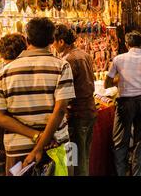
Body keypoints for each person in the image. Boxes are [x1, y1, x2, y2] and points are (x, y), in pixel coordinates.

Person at [0, 18, 76, 175]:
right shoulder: (62, 66)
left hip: (18, 148)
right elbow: (60, 110)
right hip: (57, 144)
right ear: (52, 40)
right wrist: (40, 146)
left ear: (27, 39)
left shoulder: (5, 71)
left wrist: (35, 136)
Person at [105, 31, 141, 176]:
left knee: (119, 142)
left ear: (127, 44)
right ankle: (137, 173)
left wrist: (121, 79)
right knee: (140, 141)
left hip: (125, 103)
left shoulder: (118, 59)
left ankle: (120, 173)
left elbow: (107, 83)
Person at [53, 24, 97, 176]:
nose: (53, 45)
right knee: (83, 155)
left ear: (61, 42)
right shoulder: (84, 54)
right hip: (89, 111)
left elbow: (67, 93)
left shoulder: (69, 60)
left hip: (77, 114)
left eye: (54, 41)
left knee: (76, 158)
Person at [0, 33, 27, 176]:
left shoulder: (2, 75)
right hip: (44, 141)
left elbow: (0, 116)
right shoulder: (44, 68)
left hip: (14, 144)